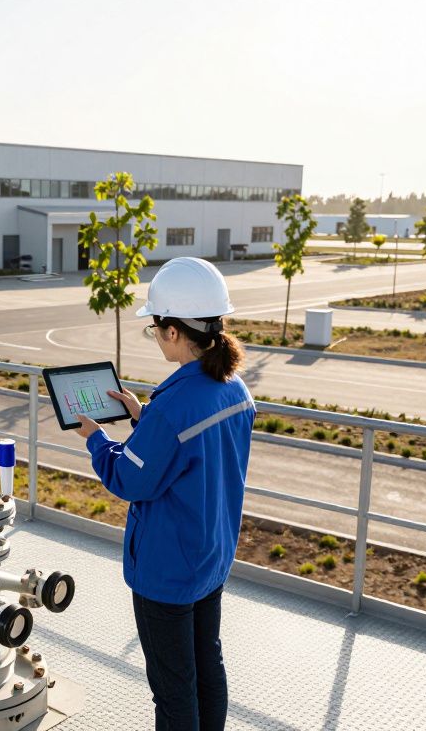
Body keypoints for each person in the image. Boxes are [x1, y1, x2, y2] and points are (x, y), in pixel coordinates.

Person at [72, 256, 254, 731]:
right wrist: (143, 418)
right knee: (208, 666)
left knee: (174, 690)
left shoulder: (173, 409)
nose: (154, 334)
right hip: (211, 556)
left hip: (168, 571)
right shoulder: (235, 390)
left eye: (155, 327)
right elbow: (191, 453)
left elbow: (129, 479)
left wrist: (96, 439)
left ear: (174, 331)